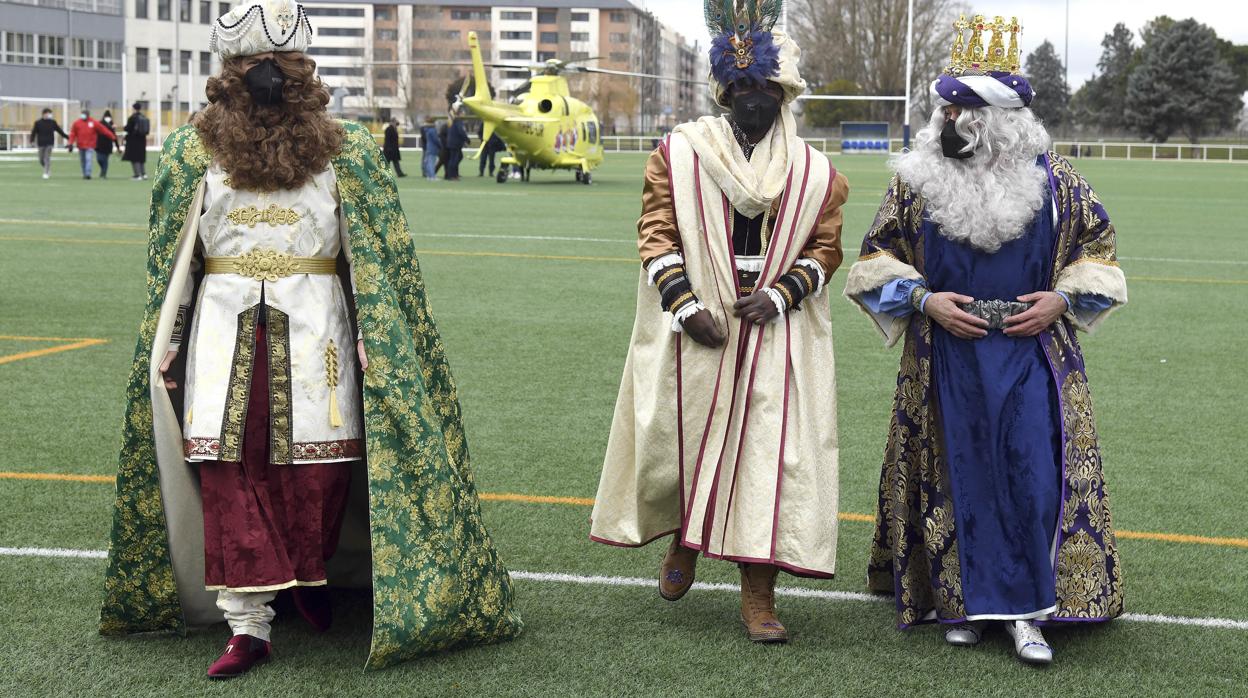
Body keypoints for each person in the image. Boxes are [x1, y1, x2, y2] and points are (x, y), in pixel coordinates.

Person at [99, 0, 522, 679]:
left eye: (279, 64)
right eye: (250, 65)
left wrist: (374, 335)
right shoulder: (190, 151)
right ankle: (249, 624)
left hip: (318, 332)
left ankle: (305, 575)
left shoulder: (346, 151)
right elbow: (173, 264)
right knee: (229, 472)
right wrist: (169, 341)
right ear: (228, 74)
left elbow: (379, 263)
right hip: (221, 330)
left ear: (302, 72)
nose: (265, 77)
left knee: (318, 473)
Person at [843, 14, 1127, 666]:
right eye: (948, 108)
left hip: (1035, 355)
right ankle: (961, 604)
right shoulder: (918, 181)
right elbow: (873, 260)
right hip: (945, 356)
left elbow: (1101, 256)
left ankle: (1028, 612)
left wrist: (1060, 298)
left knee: (1031, 476)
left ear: (1003, 119)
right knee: (954, 479)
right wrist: (923, 299)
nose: (951, 122)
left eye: (967, 111)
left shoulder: (1057, 182)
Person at [590, 3, 848, 644]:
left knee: (771, 459)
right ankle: (686, 540)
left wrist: (784, 295)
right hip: (700, 324)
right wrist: (683, 305)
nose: (751, 101)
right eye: (740, 90)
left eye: (763, 89)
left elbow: (825, 248)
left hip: (776, 330)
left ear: (783, 94)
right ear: (724, 93)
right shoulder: (680, 153)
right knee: (687, 444)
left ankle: (758, 598)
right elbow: (655, 234)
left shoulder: (816, 173)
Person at [67, 109, 116, 180]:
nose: (83, 116)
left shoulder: (94, 122)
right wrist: (70, 143)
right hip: (80, 145)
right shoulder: (77, 123)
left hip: (90, 145)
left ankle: (88, 174)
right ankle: (84, 173)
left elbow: (103, 130)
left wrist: (112, 136)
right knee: (83, 160)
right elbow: (73, 134)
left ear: (88, 115)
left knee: (88, 159)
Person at [29, 108, 69, 179]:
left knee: (47, 158)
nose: (50, 115)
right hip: (41, 143)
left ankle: (46, 173)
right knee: (41, 159)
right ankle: (47, 169)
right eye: (49, 113)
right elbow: (34, 132)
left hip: (49, 143)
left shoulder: (53, 122)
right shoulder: (38, 123)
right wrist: (31, 141)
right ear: (44, 114)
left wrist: (67, 137)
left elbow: (60, 131)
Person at [122, 102, 151, 180]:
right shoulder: (144, 117)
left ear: (134, 108)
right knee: (141, 158)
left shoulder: (132, 118)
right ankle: (144, 174)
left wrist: (124, 128)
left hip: (133, 140)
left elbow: (127, 128)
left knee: (134, 158)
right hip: (142, 140)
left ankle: (137, 175)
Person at [444, 115, 467, 180]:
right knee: (454, 160)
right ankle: (452, 175)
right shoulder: (459, 123)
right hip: (456, 144)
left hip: (452, 143)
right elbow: (461, 132)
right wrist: (467, 139)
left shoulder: (453, 123)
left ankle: (451, 175)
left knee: (453, 159)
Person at [96, 110, 117, 179]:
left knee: (105, 160)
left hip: (108, 144)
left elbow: (114, 136)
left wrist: (117, 146)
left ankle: (104, 173)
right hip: (99, 144)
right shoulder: (100, 123)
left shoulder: (112, 125)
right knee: (99, 159)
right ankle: (103, 170)